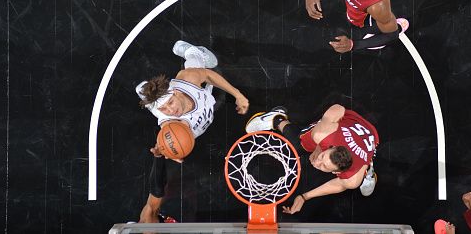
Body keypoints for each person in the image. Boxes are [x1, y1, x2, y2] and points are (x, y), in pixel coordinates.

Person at [137, 40, 250, 223]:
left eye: (170, 103)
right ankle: (144, 91)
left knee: (196, 61)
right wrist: (167, 151)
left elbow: (209, 76)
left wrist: (238, 95)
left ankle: (190, 50)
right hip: (193, 120)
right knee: (146, 97)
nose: (170, 111)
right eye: (164, 109)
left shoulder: (186, 80)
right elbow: (166, 140)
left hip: (196, 92)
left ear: (174, 93)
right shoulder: (169, 123)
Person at [245, 103, 379, 214]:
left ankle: (368, 171)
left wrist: (305, 196)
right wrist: (318, 147)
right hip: (352, 123)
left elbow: (339, 184)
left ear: (336, 172)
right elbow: (338, 108)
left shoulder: (352, 180)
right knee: (299, 146)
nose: (317, 162)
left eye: (324, 166)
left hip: (371, 137)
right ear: (332, 146)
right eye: (322, 157)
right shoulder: (322, 134)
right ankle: (277, 118)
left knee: (355, 181)